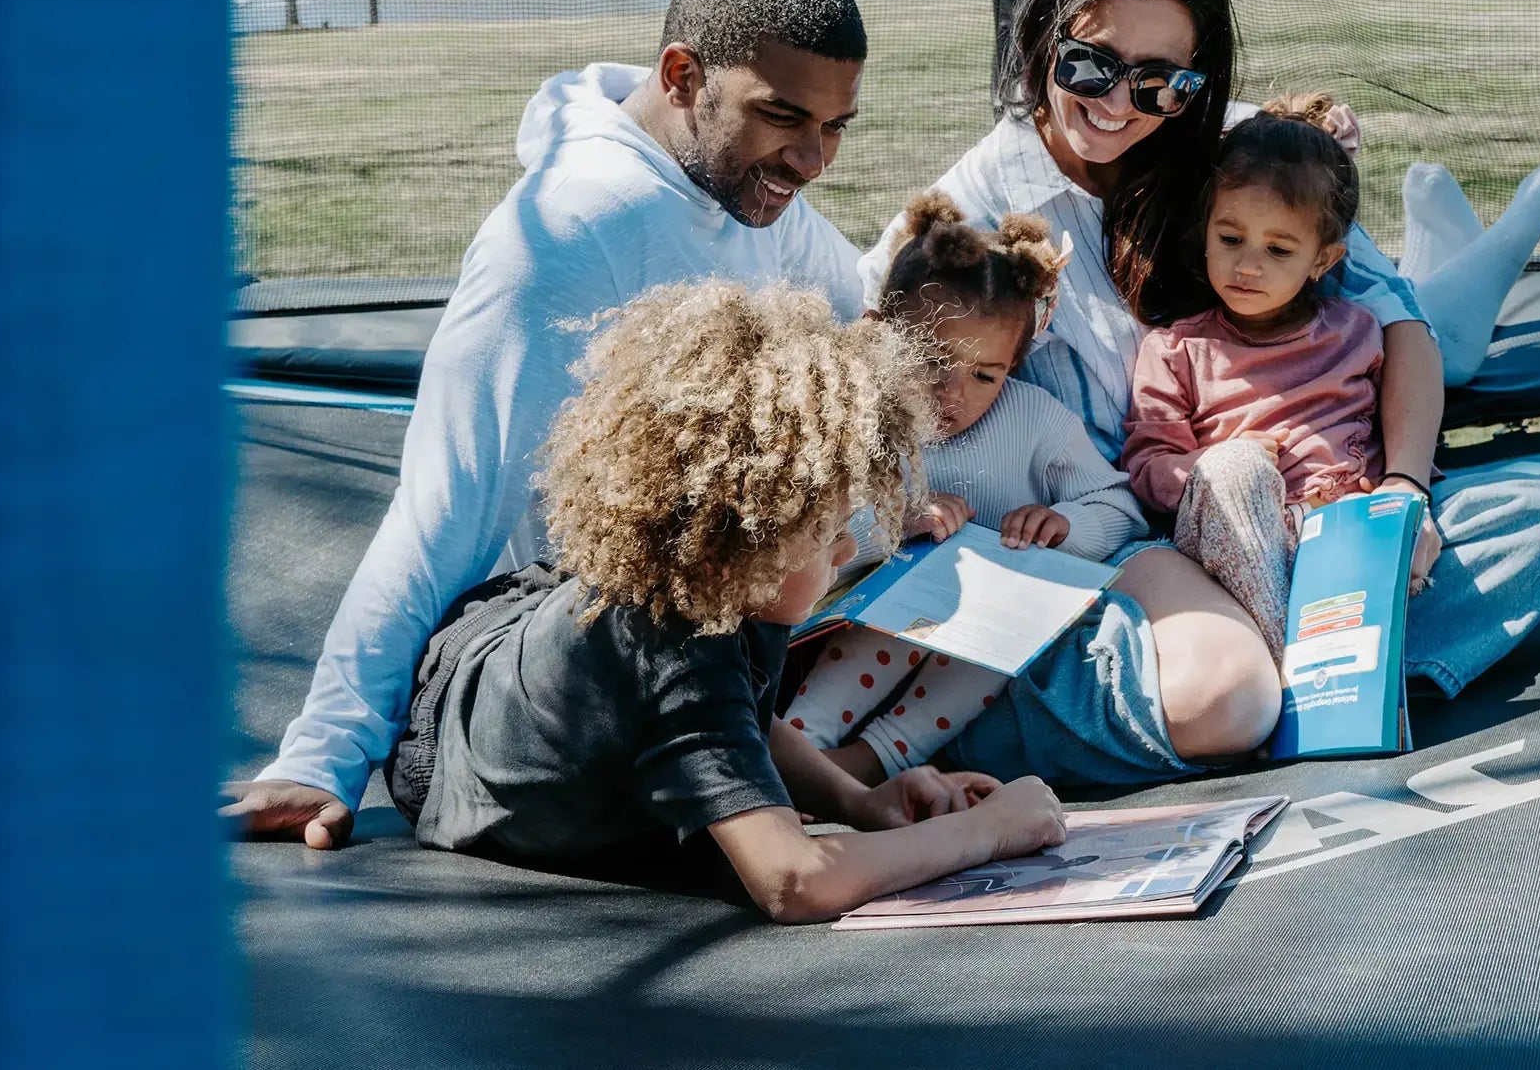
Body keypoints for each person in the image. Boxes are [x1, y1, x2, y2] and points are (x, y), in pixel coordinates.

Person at [859, 0, 1540, 783]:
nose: (1119, 103)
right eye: (1089, 63)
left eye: (1159, 80)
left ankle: (1311, 680)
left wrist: (1400, 490)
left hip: (1311, 521)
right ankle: (1260, 683)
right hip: (1112, 551)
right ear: (1043, 33)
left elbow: (1400, 327)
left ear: (1196, 78)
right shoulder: (964, 224)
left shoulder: (1249, 155)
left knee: (1537, 523)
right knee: (1219, 693)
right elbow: (863, 380)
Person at [223, 0, 878, 848]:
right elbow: (444, 507)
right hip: (566, 686)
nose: (813, 159)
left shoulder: (747, 190)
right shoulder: (566, 237)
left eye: (837, 125)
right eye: (784, 117)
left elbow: (865, 311)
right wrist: (323, 752)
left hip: (718, 638)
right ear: (682, 76)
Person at [385, 280, 1066, 923]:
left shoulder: (727, 583)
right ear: (731, 544)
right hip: (450, 742)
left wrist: (859, 801)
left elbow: (731, 710)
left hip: (533, 641)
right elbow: (795, 879)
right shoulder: (670, 645)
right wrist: (988, 832)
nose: (841, 552)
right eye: (826, 533)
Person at [784, 192, 1147, 778]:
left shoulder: (1035, 419)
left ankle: (873, 760)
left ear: (1015, 363)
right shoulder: (852, 412)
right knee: (904, 621)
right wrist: (893, 526)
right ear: (880, 333)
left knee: (1005, 625)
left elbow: (1121, 508)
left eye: (984, 374)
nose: (952, 393)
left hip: (982, 630)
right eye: (931, 360)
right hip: (845, 626)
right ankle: (797, 749)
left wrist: (1063, 525)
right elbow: (802, 533)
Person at [1120, 96, 1399, 665]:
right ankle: (1285, 662)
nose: (1248, 265)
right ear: (1206, 233)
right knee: (1236, 467)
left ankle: (1382, 657)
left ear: (1323, 259)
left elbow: (1385, 443)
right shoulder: (1176, 349)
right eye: (1230, 240)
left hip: (1341, 550)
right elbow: (1149, 471)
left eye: (1278, 249)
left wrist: (1373, 498)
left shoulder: (1359, 333)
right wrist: (1223, 465)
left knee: (1538, 519)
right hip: (1235, 555)